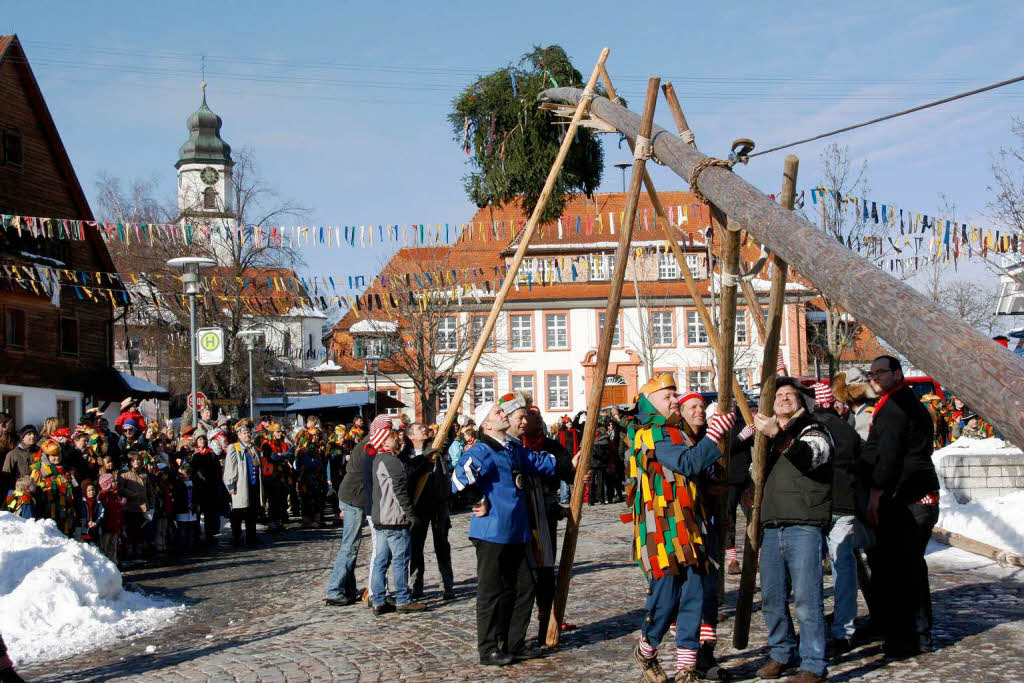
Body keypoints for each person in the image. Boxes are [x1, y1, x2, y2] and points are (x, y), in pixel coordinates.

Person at [625, 377, 734, 683]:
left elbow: (696, 473)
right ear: (649, 402)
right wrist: (713, 436)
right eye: (667, 396)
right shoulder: (651, 432)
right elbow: (686, 464)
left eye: (675, 394)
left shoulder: (678, 433)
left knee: (694, 596)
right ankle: (646, 649)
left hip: (690, 526)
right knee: (666, 598)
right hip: (661, 531)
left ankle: (686, 669)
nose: (675, 400)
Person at [451, 401, 561, 667]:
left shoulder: (512, 448)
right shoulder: (482, 449)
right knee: (491, 592)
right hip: (492, 530)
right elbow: (457, 479)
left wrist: (569, 461)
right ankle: (488, 648)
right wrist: (477, 498)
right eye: (497, 412)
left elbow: (538, 462)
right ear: (486, 425)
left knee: (524, 587)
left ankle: (514, 643)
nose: (504, 413)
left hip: (517, 530)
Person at [752, 378, 833, 683]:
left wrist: (778, 435)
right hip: (772, 527)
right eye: (779, 395)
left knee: (807, 598)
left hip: (804, 524)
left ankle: (812, 663)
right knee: (772, 597)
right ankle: (780, 653)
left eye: (790, 394)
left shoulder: (813, 428)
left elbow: (811, 457)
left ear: (801, 402)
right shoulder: (766, 439)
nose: (784, 398)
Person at [862, 355, 940, 659]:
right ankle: (908, 632)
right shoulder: (897, 401)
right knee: (901, 567)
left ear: (897, 373)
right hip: (909, 493)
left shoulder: (896, 407)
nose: (875, 377)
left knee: (904, 569)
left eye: (881, 372)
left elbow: (889, 456)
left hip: (909, 497)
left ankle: (911, 637)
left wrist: (876, 492)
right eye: (872, 373)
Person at [676, 391, 736, 681]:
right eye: (692, 407)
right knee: (691, 594)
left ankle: (706, 652)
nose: (699, 411)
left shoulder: (709, 440)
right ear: (681, 411)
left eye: (702, 406)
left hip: (710, 525)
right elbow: (687, 471)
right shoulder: (677, 438)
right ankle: (686, 657)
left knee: (710, 593)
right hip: (685, 529)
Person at [811, 382, 863, 656]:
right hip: (844, 505)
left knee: (811, 572)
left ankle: (815, 629)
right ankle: (844, 629)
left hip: (816, 506)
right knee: (844, 569)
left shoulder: (809, 428)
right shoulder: (847, 430)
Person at [369, 420, 427, 615]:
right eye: (391, 436)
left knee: (381, 561)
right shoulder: (391, 461)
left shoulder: (379, 459)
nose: (396, 437)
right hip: (394, 518)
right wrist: (411, 514)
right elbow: (399, 491)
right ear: (384, 443)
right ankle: (403, 598)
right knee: (400, 560)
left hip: (381, 518)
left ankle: (378, 600)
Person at [324, 416, 376, 607]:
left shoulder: (368, 443)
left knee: (351, 543)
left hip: (353, 497)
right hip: (354, 498)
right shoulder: (369, 446)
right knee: (350, 545)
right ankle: (334, 590)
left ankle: (347, 588)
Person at [403, 421, 455, 601]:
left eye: (424, 427)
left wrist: (449, 419)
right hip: (418, 507)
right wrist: (423, 458)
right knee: (416, 548)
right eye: (419, 428)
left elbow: (449, 436)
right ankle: (417, 587)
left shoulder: (436, 445)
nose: (424, 429)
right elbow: (407, 474)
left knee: (442, 546)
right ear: (411, 436)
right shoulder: (405, 455)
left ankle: (448, 586)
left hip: (439, 503)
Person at [223, 421, 262, 547]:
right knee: (238, 512)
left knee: (252, 512)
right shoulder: (235, 447)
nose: (247, 435)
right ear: (239, 435)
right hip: (240, 485)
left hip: (253, 484)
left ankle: (251, 536)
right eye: (244, 433)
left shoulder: (254, 447)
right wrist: (231, 484)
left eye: (248, 433)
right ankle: (236, 537)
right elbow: (230, 467)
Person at [31, 438, 77, 536]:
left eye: (58, 454)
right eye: (53, 456)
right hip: (46, 510)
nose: (57, 458)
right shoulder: (39, 470)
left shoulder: (65, 468)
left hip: (64, 511)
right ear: (47, 456)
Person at [189, 434, 222, 544]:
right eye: (199, 439)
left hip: (210, 487)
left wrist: (215, 482)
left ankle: (210, 533)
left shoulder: (211, 453)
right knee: (197, 512)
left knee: (209, 512)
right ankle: (196, 534)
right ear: (196, 441)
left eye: (203, 439)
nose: (202, 441)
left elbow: (217, 470)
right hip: (197, 487)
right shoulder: (193, 454)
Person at [118, 451, 150, 558]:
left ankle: (139, 549)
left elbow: (148, 490)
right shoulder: (124, 474)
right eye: (133, 460)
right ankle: (129, 550)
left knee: (140, 530)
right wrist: (133, 495)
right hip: (129, 507)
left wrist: (151, 504)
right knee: (130, 529)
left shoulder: (143, 473)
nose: (136, 462)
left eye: (138, 460)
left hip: (142, 506)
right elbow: (121, 489)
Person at [2, 425, 37, 496]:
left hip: (38, 490)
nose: (33, 436)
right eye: (29, 434)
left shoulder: (40, 451)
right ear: (22, 438)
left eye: (34, 434)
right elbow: (6, 476)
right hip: (20, 493)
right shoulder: (13, 454)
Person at [98, 473, 124, 564]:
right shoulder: (103, 496)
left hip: (114, 526)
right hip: (107, 526)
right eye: (113, 481)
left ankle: (114, 564)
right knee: (105, 546)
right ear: (107, 483)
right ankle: (106, 566)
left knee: (113, 546)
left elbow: (117, 510)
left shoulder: (114, 495)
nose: (116, 483)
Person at [173, 465, 199, 551]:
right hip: (182, 511)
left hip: (192, 512)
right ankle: (182, 548)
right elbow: (177, 498)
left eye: (183, 474)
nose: (181, 476)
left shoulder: (194, 484)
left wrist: (194, 505)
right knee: (182, 532)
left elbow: (197, 497)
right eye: (180, 474)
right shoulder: (178, 484)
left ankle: (190, 547)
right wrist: (186, 504)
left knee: (191, 531)